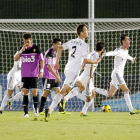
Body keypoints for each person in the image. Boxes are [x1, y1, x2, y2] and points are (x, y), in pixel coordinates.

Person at [44, 24, 103, 122]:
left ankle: (67, 99)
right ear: (81, 33)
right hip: (74, 72)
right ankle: (50, 109)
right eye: (86, 30)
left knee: (82, 87)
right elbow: (86, 60)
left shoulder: (72, 41)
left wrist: (57, 62)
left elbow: (60, 48)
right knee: (63, 91)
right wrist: (96, 61)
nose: (87, 31)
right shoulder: (84, 45)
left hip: (68, 69)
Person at [94, 35, 139, 115]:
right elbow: (113, 53)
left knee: (110, 94)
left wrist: (131, 58)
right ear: (123, 41)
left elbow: (126, 56)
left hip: (117, 75)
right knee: (126, 90)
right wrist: (105, 54)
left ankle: (92, 88)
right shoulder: (119, 50)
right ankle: (131, 109)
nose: (130, 40)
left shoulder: (126, 51)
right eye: (128, 39)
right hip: (117, 74)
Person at [59, 41, 105, 116]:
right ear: (102, 49)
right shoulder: (95, 55)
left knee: (92, 94)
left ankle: (81, 110)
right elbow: (92, 65)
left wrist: (83, 68)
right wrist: (90, 76)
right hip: (87, 77)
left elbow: (85, 60)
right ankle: (68, 98)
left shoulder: (92, 53)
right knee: (89, 98)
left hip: (84, 75)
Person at [14, 33, 44, 117]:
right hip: (24, 75)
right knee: (25, 92)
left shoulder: (37, 49)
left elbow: (42, 60)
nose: (26, 43)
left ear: (31, 40)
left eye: (27, 41)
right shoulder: (22, 49)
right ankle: (26, 113)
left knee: (34, 93)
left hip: (34, 75)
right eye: (25, 42)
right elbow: (15, 58)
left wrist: (41, 71)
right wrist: (21, 50)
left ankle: (35, 109)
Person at [39, 38, 69, 115]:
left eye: (60, 44)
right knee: (46, 93)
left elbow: (54, 65)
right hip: (48, 76)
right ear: (53, 44)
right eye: (58, 44)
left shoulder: (56, 53)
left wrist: (57, 74)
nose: (60, 45)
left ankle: (61, 110)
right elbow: (49, 66)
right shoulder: (49, 52)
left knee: (58, 92)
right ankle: (40, 111)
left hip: (54, 76)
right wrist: (56, 76)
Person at [0, 42, 24, 114]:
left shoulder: (27, 56)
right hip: (13, 76)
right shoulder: (18, 54)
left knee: (25, 92)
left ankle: (10, 101)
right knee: (9, 93)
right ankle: (1, 109)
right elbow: (17, 67)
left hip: (20, 76)